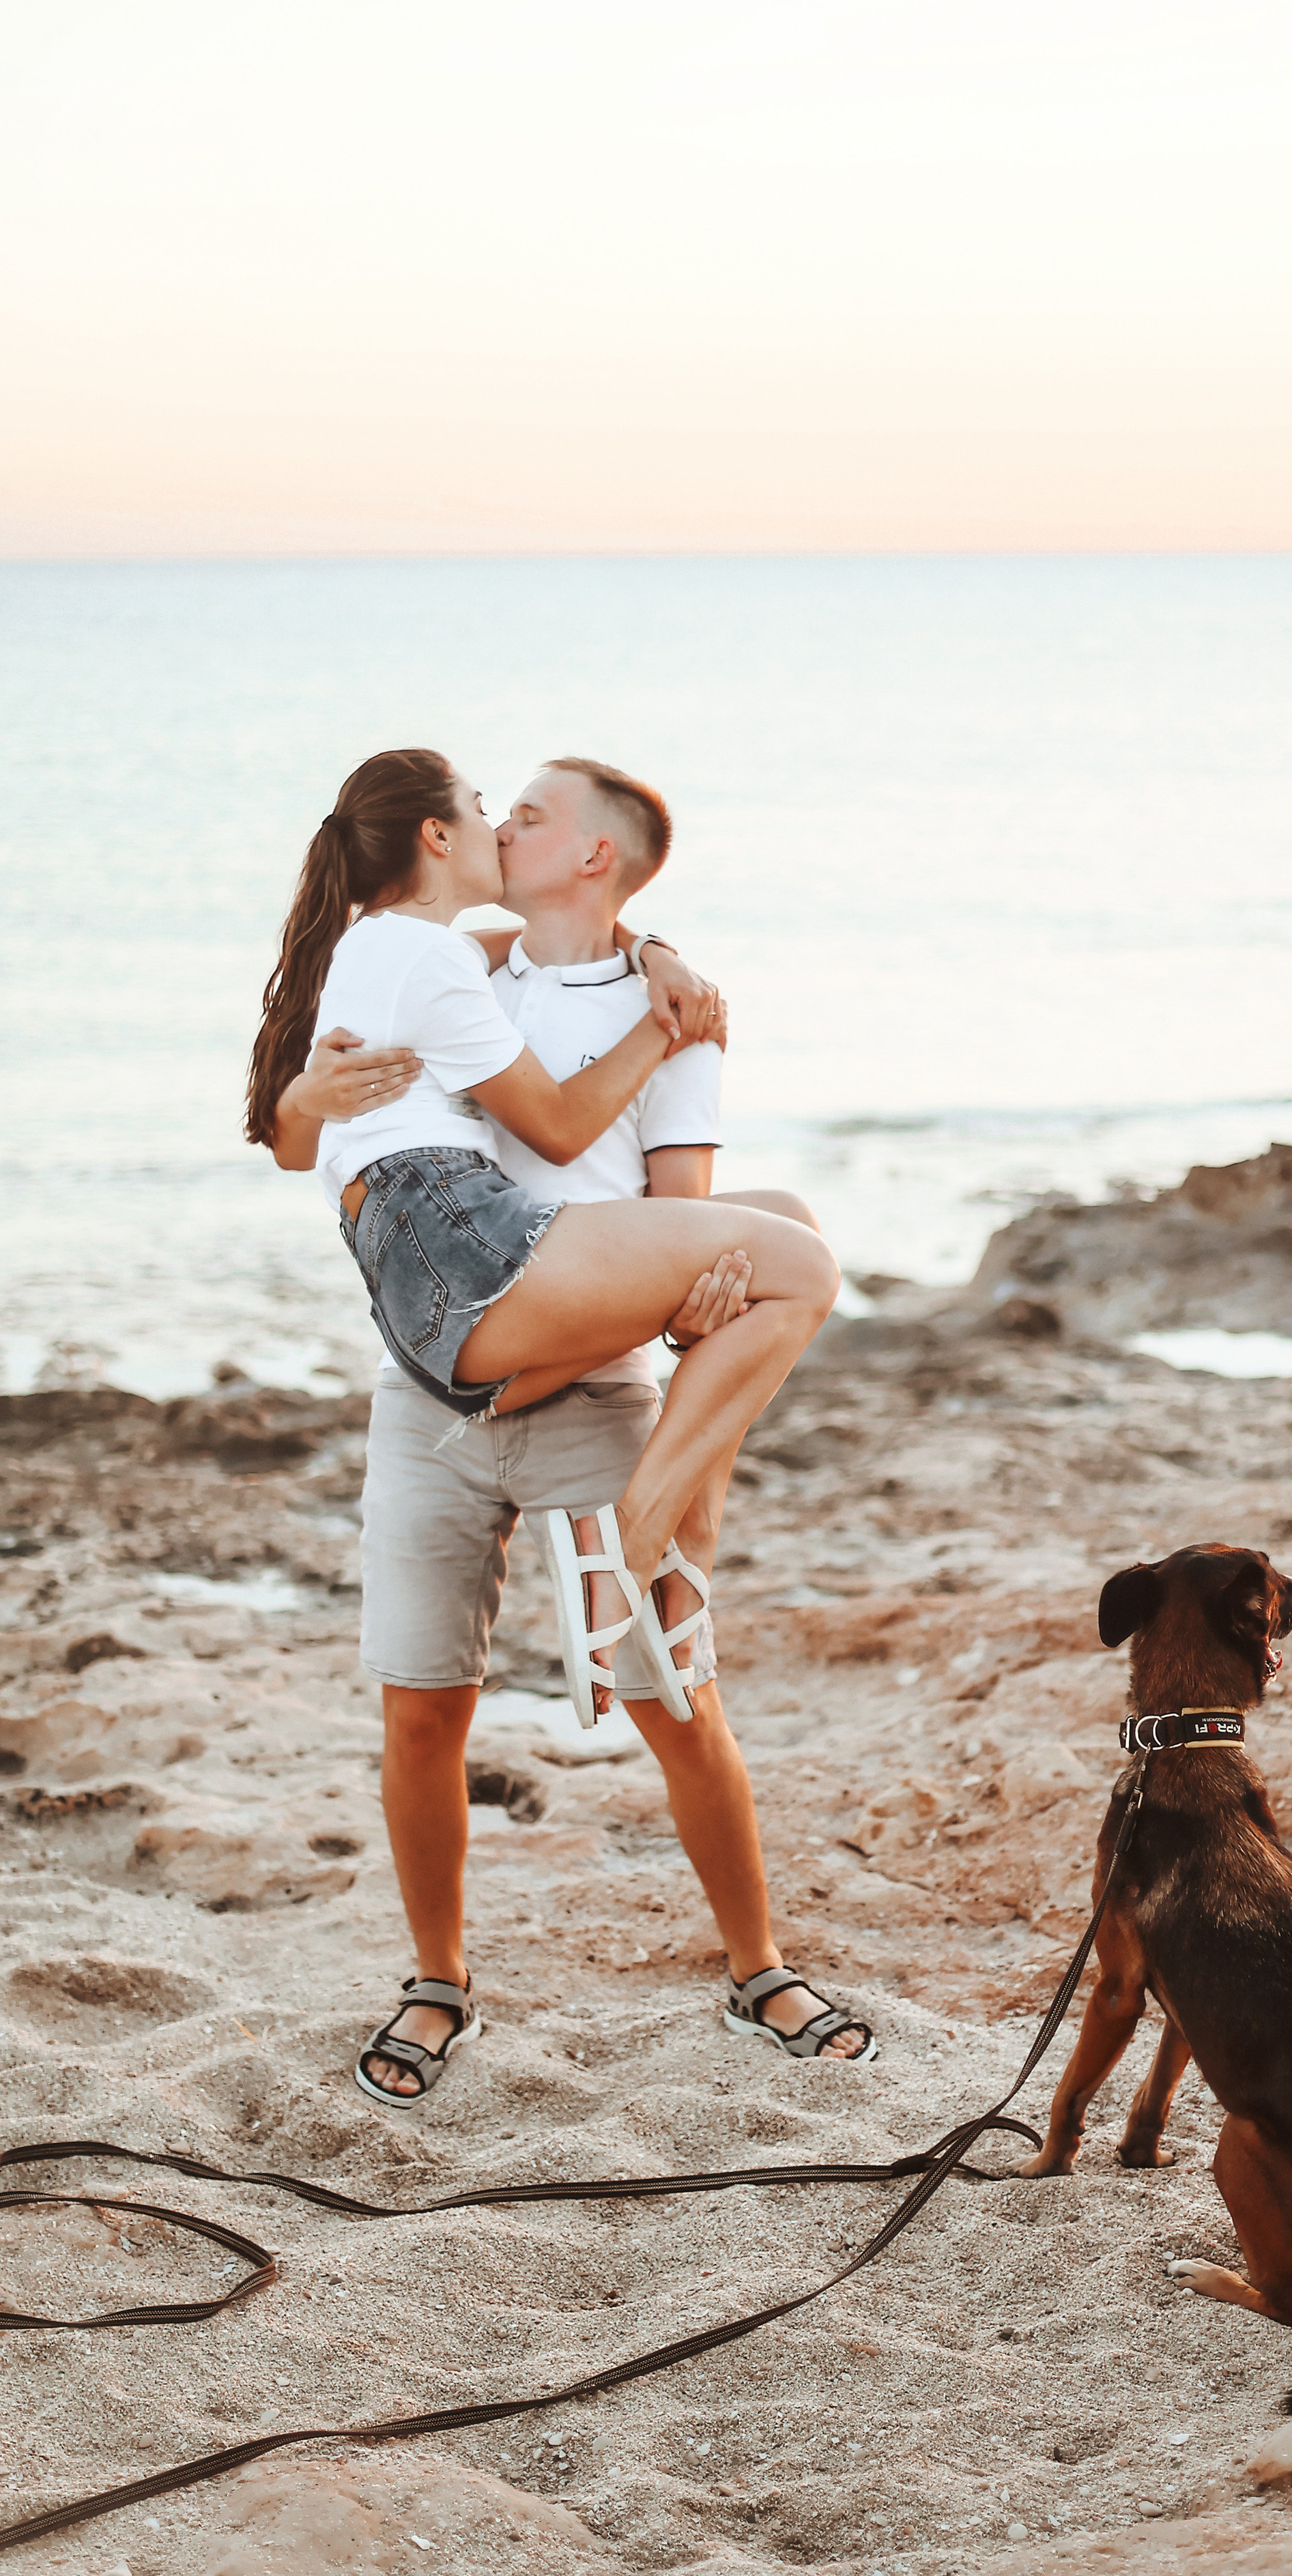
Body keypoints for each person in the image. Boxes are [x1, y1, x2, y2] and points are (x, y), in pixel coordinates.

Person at [259, 751, 876, 2097]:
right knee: (422, 1707)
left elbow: (680, 1206)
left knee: (678, 1701)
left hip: (593, 1381)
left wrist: (702, 1288)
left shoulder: (681, 1019)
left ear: (589, 856)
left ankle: (756, 1963)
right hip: (429, 1396)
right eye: (498, 809)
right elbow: (321, 1112)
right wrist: (302, 1104)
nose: (507, 820)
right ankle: (437, 1980)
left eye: (530, 812)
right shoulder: (463, 961)